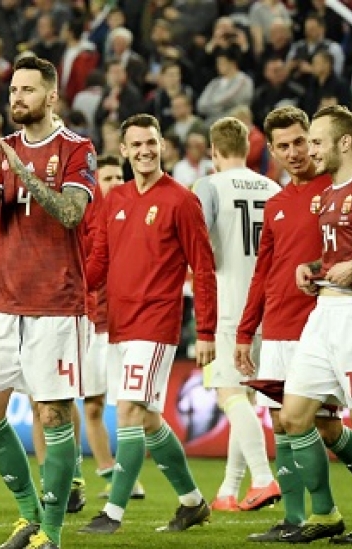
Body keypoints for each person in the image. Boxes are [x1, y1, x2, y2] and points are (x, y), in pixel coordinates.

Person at [0, 55, 95, 549]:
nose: (17, 98)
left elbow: (70, 213)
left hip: (57, 303)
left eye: (27, 90)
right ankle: (29, 515)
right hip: (7, 303)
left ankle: (52, 534)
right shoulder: (5, 150)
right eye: (13, 90)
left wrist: (20, 167)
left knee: (53, 415)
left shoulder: (77, 148)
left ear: (51, 96)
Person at [80, 113, 217, 535]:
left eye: (151, 143)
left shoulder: (181, 200)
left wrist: (207, 332)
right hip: (118, 326)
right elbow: (99, 261)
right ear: (123, 150)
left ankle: (113, 513)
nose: (145, 151)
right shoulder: (115, 199)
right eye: (136, 144)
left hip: (155, 324)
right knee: (150, 420)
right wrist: (74, 295)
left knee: (129, 411)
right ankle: (192, 503)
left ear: (163, 146)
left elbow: (204, 268)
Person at [236, 106, 352, 542]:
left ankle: (348, 511)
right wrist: (246, 331)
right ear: (271, 151)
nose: (296, 152)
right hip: (283, 325)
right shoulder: (277, 203)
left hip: (330, 319)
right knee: (284, 421)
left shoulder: (338, 186)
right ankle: (298, 518)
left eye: (302, 142)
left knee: (334, 426)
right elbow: (263, 271)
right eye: (285, 146)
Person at [191, 117, 281, 513]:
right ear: (248, 149)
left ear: (214, 151)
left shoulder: (208, 186)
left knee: (228, 394)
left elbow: (197, 247)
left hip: (228, 307)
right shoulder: (274, 188)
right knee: (243, 396)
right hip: (269, 309)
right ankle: (229, 489)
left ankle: (262, 478)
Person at [82, 154, 145, 502]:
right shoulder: (87, 222)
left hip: (127, 325)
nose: (115, 183)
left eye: (119, 177)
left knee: (131, 406)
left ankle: (129, 477)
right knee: (93, 406)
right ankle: (110, 474)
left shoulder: (135, 218)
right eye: (107, 178)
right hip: (95, 326)